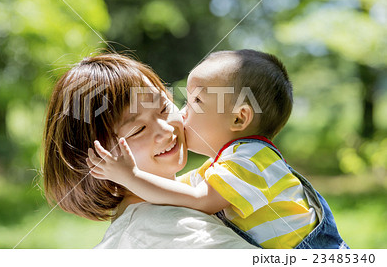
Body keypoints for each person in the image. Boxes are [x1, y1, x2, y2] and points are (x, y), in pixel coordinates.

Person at [88, 49, 349, 249]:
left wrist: (130, 176)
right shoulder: (227, 163)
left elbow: (197, 199)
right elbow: (178, 189)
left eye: (196, 101)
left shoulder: (251, 161)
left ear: (238, 118)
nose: (182, 113)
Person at [42, 53, 256, 249]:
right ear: (96, 159)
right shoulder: (172, 229)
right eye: (138, 129)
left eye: (163, 108)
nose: (165, 130)